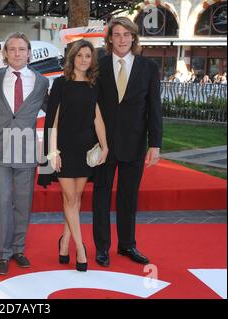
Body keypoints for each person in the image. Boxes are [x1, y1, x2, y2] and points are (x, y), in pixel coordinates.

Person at [93, 17, 162, 267]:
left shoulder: (148, 67)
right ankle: (102, 247)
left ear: (133, 38)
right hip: (104, 145)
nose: (122, 39)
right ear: (109, 38)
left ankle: (127, 245)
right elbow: (93, 107)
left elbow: (155, 107)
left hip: (134, 143)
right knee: (101, 196)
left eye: (126, 34)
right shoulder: (98, 66)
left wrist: (155, 144)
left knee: (128, 197)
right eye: (117, 34)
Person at [39, 40, 109, 272]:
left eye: (87, 56)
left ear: (92, 60)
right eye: (79, 55)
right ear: (72, 58)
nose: (83, 59)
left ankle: (65, 241)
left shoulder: (93, 84)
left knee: (77, 199)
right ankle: (80, 248)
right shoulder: (61, 83)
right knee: (70, 199)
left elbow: (97, 117)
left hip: (85, 149)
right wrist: (52, 151)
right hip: (64, 149)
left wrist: (105, 146)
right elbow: (54, 120)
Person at [0, 32, 49, 275]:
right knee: (3, 200)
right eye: (12, 49)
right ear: (5, 53)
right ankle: (2, 253)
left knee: (23, 202)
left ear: (29, 53)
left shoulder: (41, 82)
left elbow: (54, 112)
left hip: (26, 151)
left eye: (21, 49)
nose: (16, 53)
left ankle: (18, 249)